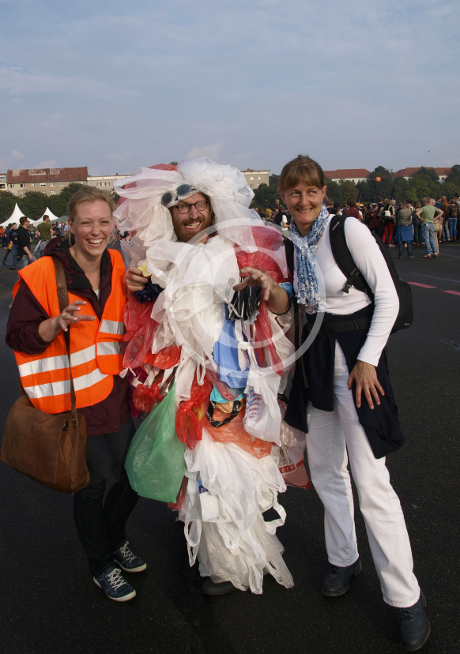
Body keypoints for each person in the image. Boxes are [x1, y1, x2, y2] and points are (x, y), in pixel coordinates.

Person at [116, 159, 301, 597]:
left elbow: (280, 305)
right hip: (186, 381)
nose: (192, 214)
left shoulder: (239, 251)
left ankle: (231, 561)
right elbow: (152, 326)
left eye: (199, 205)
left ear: (213, 207)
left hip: (233, 379)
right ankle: (215, 558)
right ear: (170, 213)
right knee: (199, 470)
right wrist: (138, 290)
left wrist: (264, 288)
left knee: (234, 469)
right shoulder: (158, 258)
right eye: (182, 207)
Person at [280, 155, 430, 652]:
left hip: (356, 357)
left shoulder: (348, 231)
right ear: (284, 198)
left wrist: (368, 360)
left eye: (311, 191)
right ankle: (343, 557)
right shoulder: (292, 241)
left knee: (371, 480)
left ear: (324, 192)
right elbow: (301, 298)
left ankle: (405, 598)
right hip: (316, 359)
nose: (303, 200)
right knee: (326, 468)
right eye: (294, 192)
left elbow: (387, 297)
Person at [6, 186, 146, 603]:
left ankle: (114, 539)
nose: (96, 230)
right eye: (86, 222)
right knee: (92, 483)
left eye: (103, 221)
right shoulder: (42, 273)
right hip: (74, 399)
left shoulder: (118, 262)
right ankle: (100, 564)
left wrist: (144, 290)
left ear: (113, 224)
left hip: (115, 390)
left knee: (132, 475)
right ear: (70, 225)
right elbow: (17, 335)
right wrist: (53, 324)